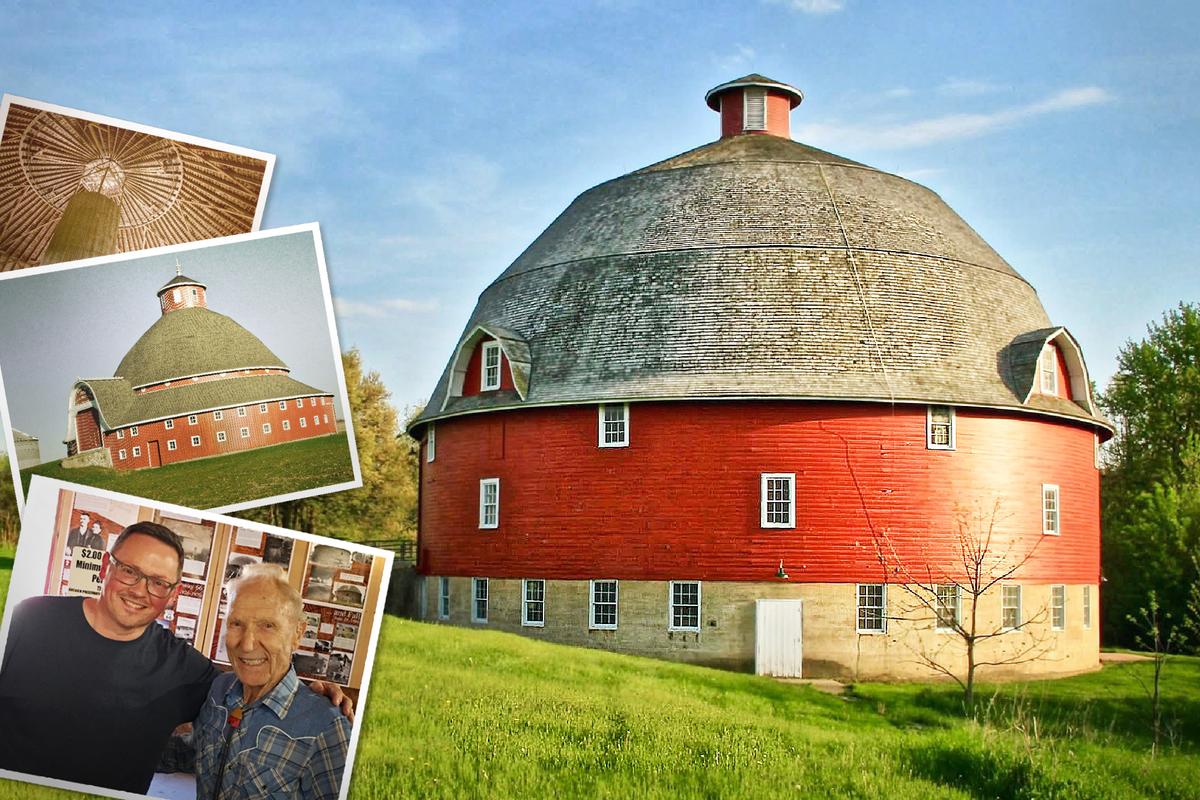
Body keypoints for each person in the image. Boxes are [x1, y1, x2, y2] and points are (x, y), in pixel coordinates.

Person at [0, 522, 350, 795]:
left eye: (157, 582)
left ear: (172, 593)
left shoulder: (188, 671)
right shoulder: (26, 619)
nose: (140, 590)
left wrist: (312, 693)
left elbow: (255, 684)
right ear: (109, 566)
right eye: (130, 571)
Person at [186, 564, 350, 799]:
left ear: (297, 634)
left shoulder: (328, 726)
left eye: (268, 625)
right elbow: (195, 752)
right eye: (236, 623)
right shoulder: (220, 689)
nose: (247, 644)